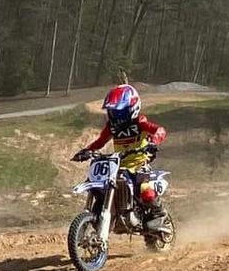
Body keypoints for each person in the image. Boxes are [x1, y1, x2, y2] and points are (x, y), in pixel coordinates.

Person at [71, 83, 167, 215]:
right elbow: (100, 142)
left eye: (120, 112)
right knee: (99, 184)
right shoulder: (112, 127)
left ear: (132, 108)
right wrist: (86, 151)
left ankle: (160, 214)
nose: (117, 116)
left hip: (139, 164)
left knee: (146, 191)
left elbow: (160, 130)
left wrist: (154, 142)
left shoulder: (140, 122)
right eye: (113, 112)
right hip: (118, 166)